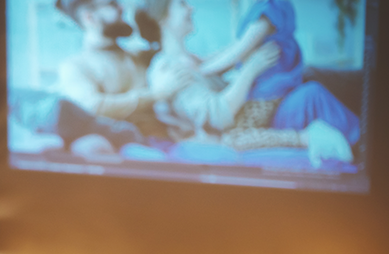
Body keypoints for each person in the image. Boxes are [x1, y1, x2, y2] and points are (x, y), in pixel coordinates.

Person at [136, 0, 356, 166]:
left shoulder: (191, 59)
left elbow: (230, 53)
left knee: (311, 92)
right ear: (162, 18)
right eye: (182, 3)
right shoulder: (170, 70)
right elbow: (218, 117)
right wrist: (251, 69)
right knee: (311, 95)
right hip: (234, 133)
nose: (191, 8)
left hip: (250, 119)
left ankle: (364, 146)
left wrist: (246, 56)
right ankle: (365, 150)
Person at [55, 0, 191, 138]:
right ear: (89, 17)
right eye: (112, 4)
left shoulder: (140, 56)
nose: (122, 8)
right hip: (126, 148)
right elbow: (92, 106)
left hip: (168, 141)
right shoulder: (75, 66)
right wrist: (155, 95)